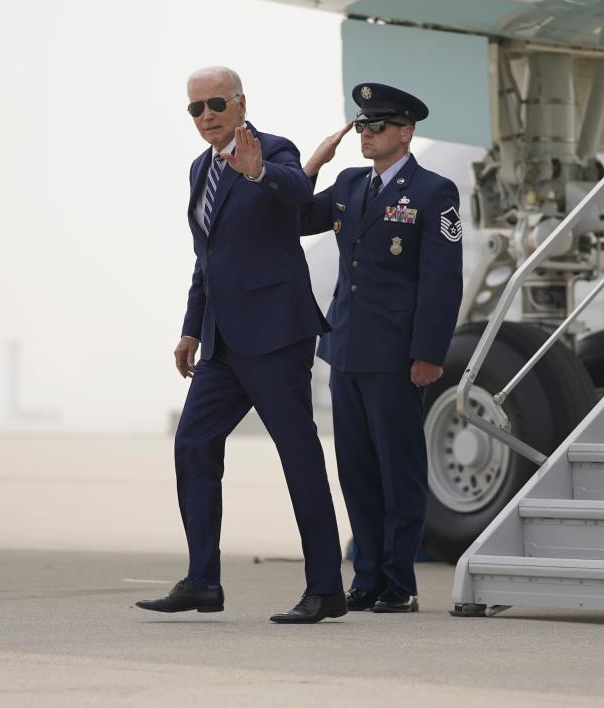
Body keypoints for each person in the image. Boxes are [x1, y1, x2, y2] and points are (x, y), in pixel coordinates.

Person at [135, 66, 346, 624]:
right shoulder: (198, 169)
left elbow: (300, 197)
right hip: (222, 343)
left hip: (277, 334)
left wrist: (258, 174)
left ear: (240, 104)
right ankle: (203, 579)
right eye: (196, 108)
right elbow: (208, 258)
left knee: (298, 456)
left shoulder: (272, 150)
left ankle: (325, 589)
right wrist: (190, 327)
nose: (206, 116)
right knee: (193, 443)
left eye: (216, 105)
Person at [301, 83, 463, 614]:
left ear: (406, 131)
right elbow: (299, 219)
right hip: (346, 348)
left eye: (378, 126)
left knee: (399, 469)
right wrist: (313, 166)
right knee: (357, 470)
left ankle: (399, 582)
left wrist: (429, 353)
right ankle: (366, 575)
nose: (366, 135)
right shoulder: (350, 183)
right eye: (362, 126)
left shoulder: (434, 192)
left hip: (396, 355)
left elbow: (442, 281)